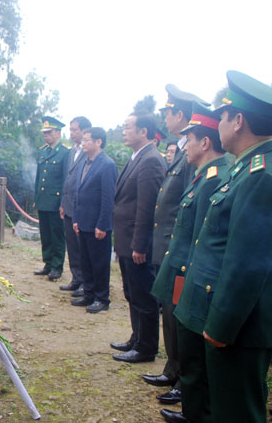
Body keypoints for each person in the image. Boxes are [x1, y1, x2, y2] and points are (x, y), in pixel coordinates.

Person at [174, 70, 272, 423]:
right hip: (236, 319)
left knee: (236, 412)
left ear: (238, 121)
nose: (218, 124)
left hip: (240, 325)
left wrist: (221, 325)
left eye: (222, 116)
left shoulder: (263, 174)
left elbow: (247, 264)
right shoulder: (252, 167)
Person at [151, 101, 228, 423]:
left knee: (195, 354)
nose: (185, 144)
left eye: (190, 138)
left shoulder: (213, 178)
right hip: (184, 271)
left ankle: (196, 411)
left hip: (193, 276)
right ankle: (192, 409)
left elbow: (201, 240)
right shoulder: (203, 175)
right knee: (186, 346)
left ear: (204, 142)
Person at [144, 85, 210, 406]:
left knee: (176, 315)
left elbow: (189, 209)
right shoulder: (182, 150)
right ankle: (173, 369)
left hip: (179, 253)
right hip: (170, 251)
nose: (165, 118)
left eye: (167, 112)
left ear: (180, 115)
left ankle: (183, 379)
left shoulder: (192, 155)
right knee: (168, 315)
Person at [111, 112, 166, 363]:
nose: (124, 131)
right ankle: (137, 337)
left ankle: (146, 347)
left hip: (137, 242)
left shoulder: (151, 159)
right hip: (126, 239)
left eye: (128, 127)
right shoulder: (138, 157)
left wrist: (140, 244)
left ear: (144, 132)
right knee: (131, 292)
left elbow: (147, 206)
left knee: (144, 296)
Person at [70, 127, 118, 313]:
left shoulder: (107, 165)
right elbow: (78, 192)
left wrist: (103, 224)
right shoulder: (84, 162)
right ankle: (88, 294)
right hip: (83, 222)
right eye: (82, 140)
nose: (83, 143)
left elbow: (108, 199)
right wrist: (76, 218)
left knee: (99, 263)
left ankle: (101, 298)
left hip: (97, 225)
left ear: (98, 142)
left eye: (87, 140)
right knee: (86, 261)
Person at [33, 116, 70, 281]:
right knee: (45, 234)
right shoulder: (42, 151)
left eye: (49, 132)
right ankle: (47, 263)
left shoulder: (65, 153)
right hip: (43, 200)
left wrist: (63, 202)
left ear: (58, 132)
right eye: (44, 133)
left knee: (57, 235)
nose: (46, 136)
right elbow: (38, 177)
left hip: (55, 202)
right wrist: (36, 197)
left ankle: (57, 266)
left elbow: (65, 181)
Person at [60, 116, 92, 294]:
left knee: (82, 248)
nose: (72, 133)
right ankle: (76, 278)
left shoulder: (90, 152)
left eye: (75, 130)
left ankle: (85, 282)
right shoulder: (72, 152)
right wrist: (63, 204)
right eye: (71, 130)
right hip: (69, 206)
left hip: (82, 208)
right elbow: (67, 179)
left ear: (85, 131)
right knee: (71, 245)